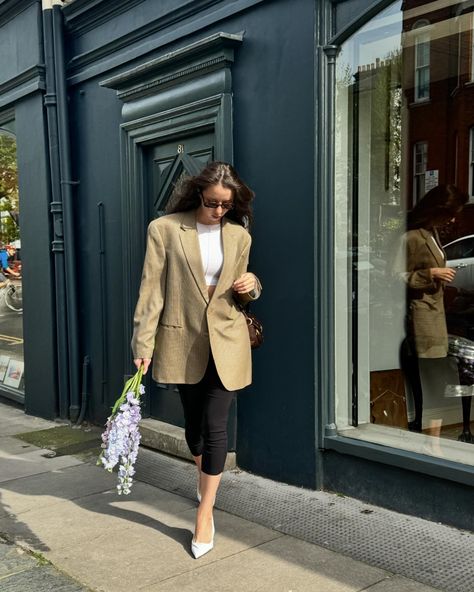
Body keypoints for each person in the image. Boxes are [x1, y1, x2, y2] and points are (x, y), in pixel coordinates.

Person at [131, 161, 262, 559]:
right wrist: (143, 344)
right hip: (181, 340)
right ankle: (204, 476)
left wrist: (252, 285)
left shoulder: (239, 236)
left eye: (227, 205)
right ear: (198, 194)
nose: (219, 211)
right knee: (194, 431)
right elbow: (151, 291)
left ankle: (205, 511)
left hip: (227, 339)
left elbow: (241, 294)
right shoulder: (166, 229)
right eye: (212, 203)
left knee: (216, 424)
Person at [393, 184, 468, 435]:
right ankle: (431, 438)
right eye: (450, 213)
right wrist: (430, 273)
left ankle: (434, 438)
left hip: (436, 315)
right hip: (422, 317)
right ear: (436, 210)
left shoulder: (432, 232)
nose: (454, 219)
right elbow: (394, 278)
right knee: (431, 379)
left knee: (436, 379)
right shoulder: (412, 237)